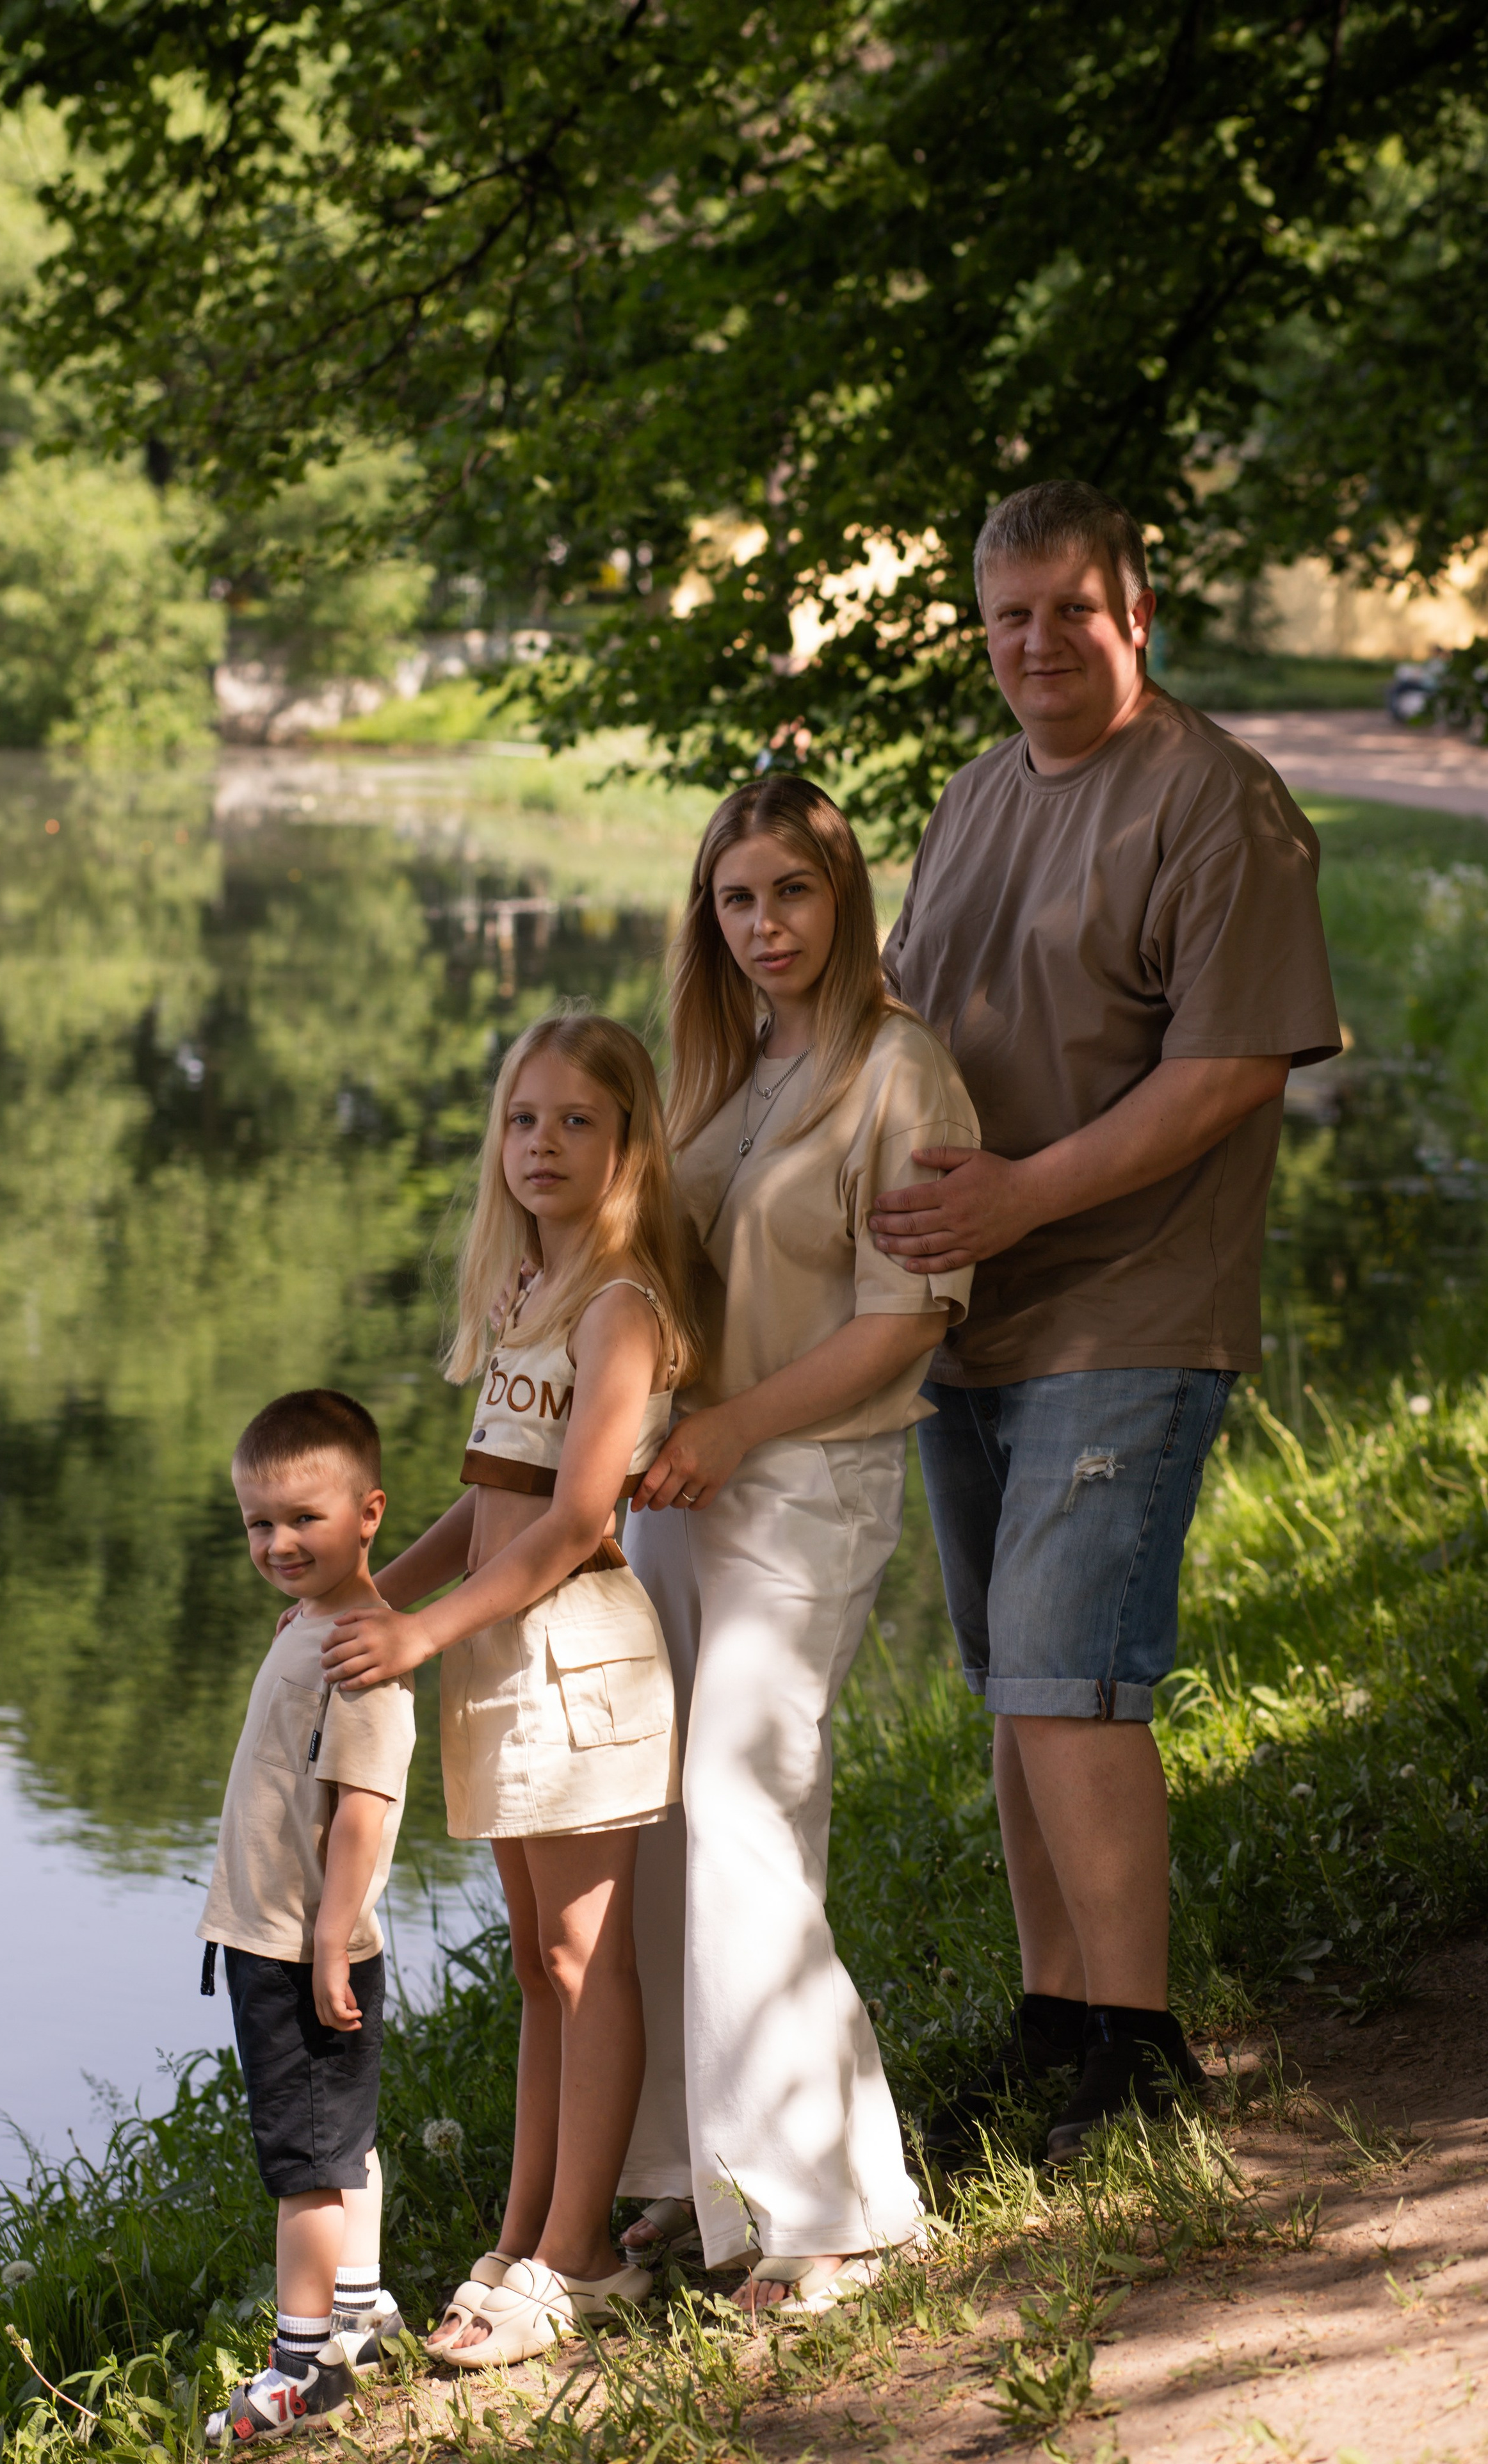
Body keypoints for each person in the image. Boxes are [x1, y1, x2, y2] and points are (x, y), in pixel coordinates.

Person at [870, 478, 1341, 2162]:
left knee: (1076, 1683)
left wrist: (1021, 1198)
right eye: (1007, 616)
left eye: (1072, 609)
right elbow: (901, 1027)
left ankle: (1141, 2062)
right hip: (964, 1314)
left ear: (1135, 612)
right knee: (1017, 1688)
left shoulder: (1220, 804)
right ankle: (1056, 2026)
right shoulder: (979, 792)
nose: (1036, 643)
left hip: (1130, 1307)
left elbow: (1227, 1072)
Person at [615, 775, 980, 2315]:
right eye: (735, 898)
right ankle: (690, 2178)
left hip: (803, 1477)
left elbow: (905, 1317)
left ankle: (836, 2206)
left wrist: (733, 1425)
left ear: (843, 901)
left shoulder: (901, 1074)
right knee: (654, 1819)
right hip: (681, 1486)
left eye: (790, 893)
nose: (762, 925)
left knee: (742, 1808)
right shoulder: (717, 1068)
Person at [318, 1013, 697, 2369]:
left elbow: (570, 1524)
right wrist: (367, 1595)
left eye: (574, 1122)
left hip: (578, 1662)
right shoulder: (519, 1299)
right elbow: (485, 1508)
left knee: (585, 1959)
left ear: (627, 1143)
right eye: (521, 1120)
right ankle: (525, 2230)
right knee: (541, 1968)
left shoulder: (619, 1309)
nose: (540, 1144)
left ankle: (578, 2258)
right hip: (497, 1660)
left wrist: (419, 1636)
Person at [197, 1388, 416, 2444]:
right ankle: (362, 2310)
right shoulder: (320, 1624)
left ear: (369, 1512)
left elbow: (366, 1814)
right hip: (280, 1938)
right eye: (259, 1524)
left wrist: (330, 1938)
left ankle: (303, 2367)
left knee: (306, 2167)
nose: (279, 1542)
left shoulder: (361, 1653)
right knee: (343, 2145)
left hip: (299, 1947)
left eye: (304, 1520)